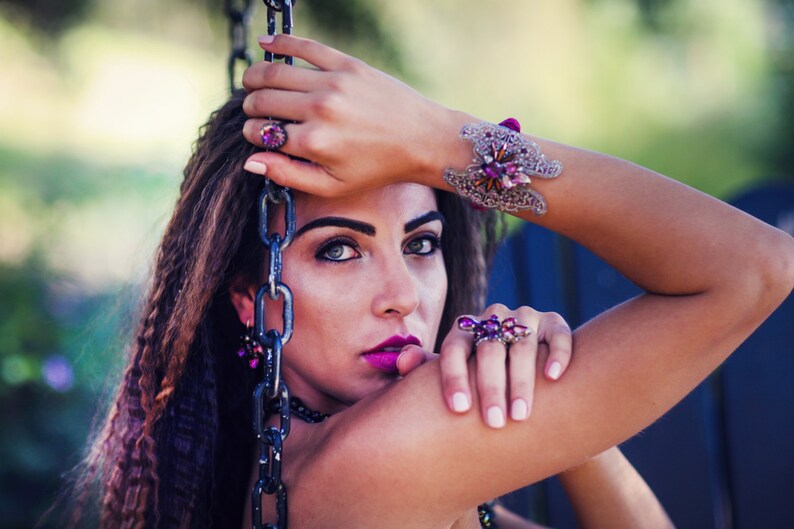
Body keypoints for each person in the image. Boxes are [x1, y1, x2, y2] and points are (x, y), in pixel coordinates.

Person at [63, 34, 794, 529]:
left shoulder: (292, 459)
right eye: (339, 251)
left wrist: (571, 417)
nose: (404, 297)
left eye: (420, 243)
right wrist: (441, 140)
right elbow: (755, 264)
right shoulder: (376, 457)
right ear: (251, 299)